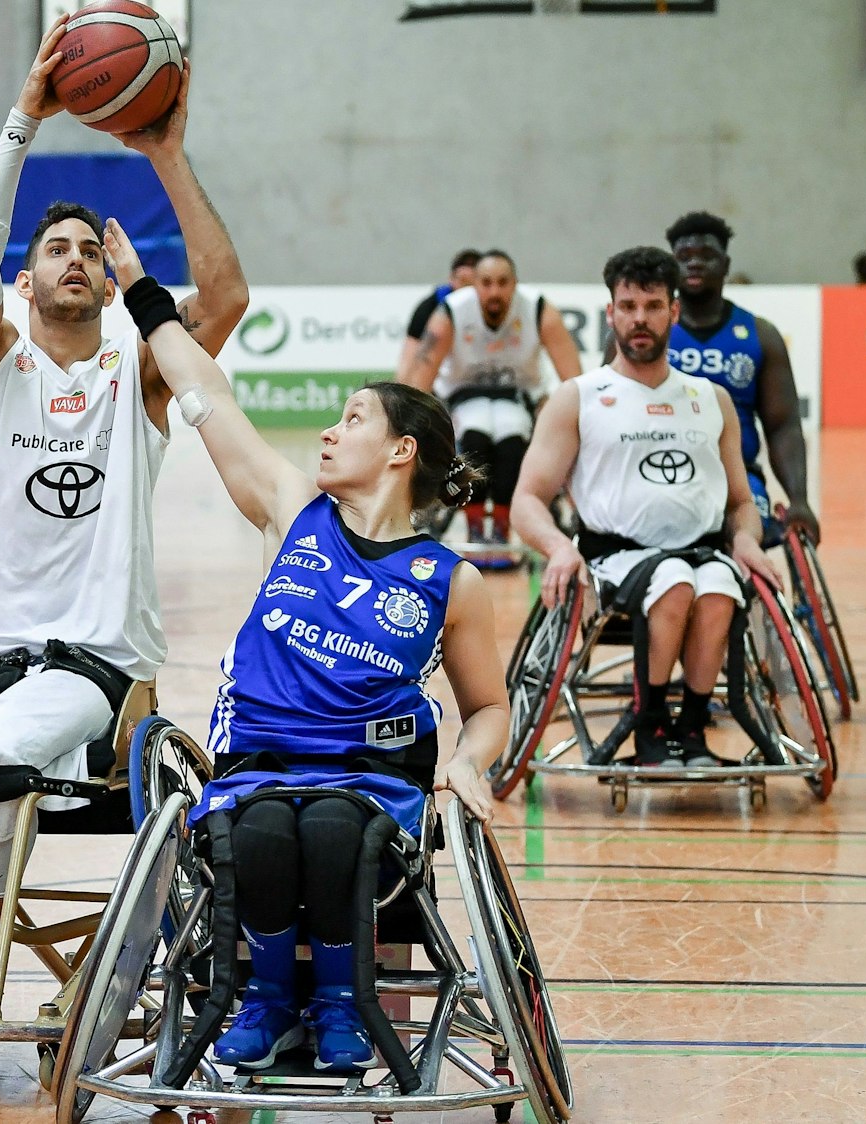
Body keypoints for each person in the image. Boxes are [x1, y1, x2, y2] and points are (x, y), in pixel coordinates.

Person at [97, 220, 501, 1072]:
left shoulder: (448, 579)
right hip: (258, 764)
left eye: (350, 420)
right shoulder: (294, 513)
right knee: (265, 834)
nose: (327, 432)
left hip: (370, 779)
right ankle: (269, 998)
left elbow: (490, 706)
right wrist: (142, 293)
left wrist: (471, 762)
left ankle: (343, 1006)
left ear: (400, 450)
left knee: (326, 832)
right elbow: (206, 394)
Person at [0, 16, 247, 1020]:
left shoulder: (138, 373)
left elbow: (227, 293)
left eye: (85, 252)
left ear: (108, 280)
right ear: (27, 281)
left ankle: (19, 952)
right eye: (52, 250)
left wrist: (168, 157)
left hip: (107, 665)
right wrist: (24, 117)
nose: (71, 260)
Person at [513, 248, 779, 770]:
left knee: (722, 585)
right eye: (628, 306)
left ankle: (691, 729)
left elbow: (741, 502)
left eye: (653, 306)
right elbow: (526, 500)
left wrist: (747, 537)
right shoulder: (579, 398)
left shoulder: (711, 398)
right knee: (676, 578)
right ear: (609, 313)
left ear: (674, 312)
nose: (640, 319)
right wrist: (558, 548)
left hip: (703, 554)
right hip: (615, 562)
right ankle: (650, 721)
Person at [400, 250, 583, 564]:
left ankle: (500, 531)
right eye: (486, 283)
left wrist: (559, 417)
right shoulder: (451, 313)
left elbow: (575, 380)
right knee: (476, 435)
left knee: (511, 440)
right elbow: (418, 380)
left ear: (515, 284)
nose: (494, 292)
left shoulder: (539, 310)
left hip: (519, 398)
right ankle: (475, 530)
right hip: (462, 397)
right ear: (474, 285)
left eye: (502, 283)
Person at [665, 211, 819, 544]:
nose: (694, 264)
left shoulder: (759, 335)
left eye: (707, 256)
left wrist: (799, 499)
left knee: (745, 538)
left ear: (726, 263)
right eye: (684, 257)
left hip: (739, 480)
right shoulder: (647, 335)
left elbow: (783, 427)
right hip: (660, 474)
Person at [395, 248, 481, 379]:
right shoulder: (430, 307)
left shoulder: (493, 309)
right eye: (463, 281)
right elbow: (409, 360)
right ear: (451, 279)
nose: (466, 291)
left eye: (472, 283)